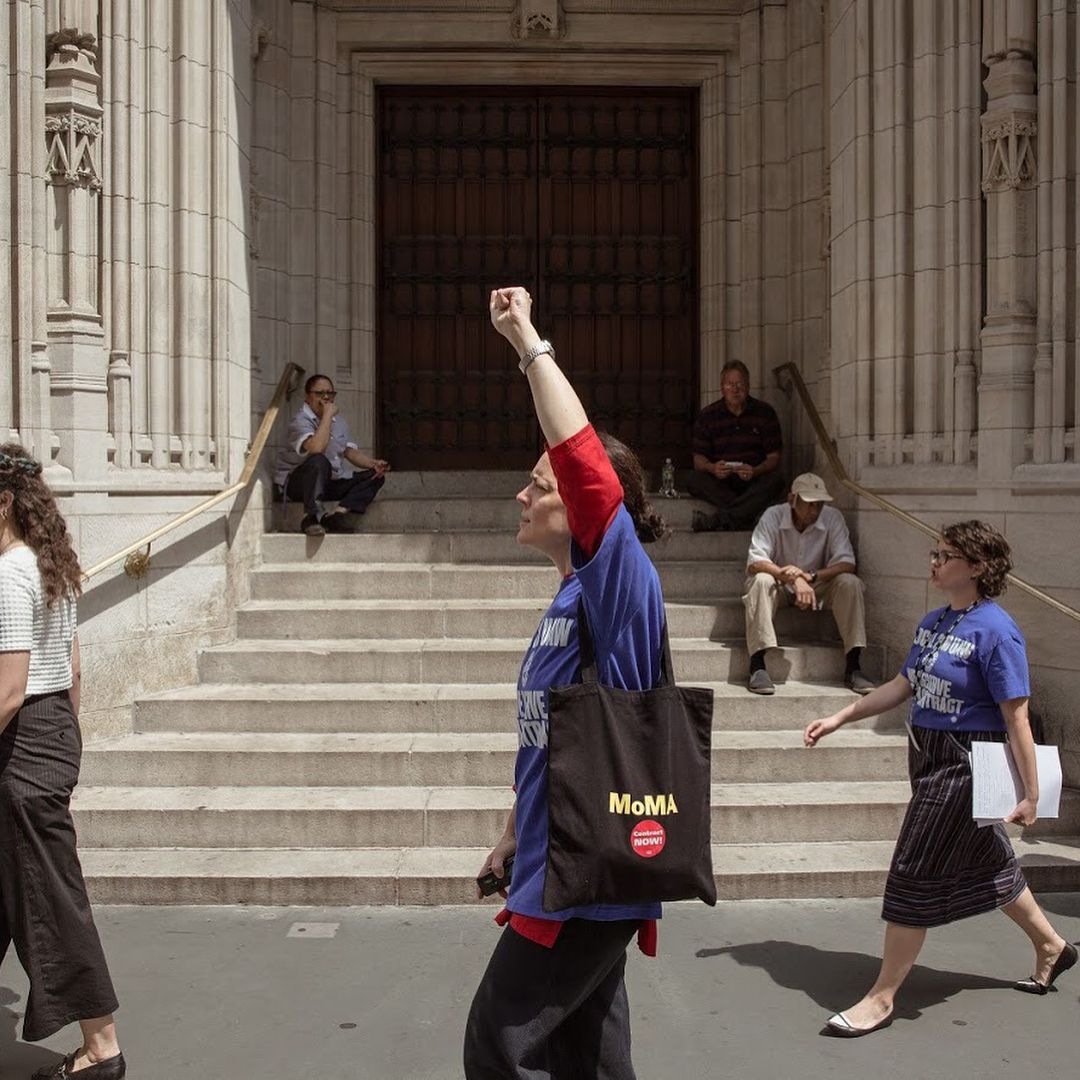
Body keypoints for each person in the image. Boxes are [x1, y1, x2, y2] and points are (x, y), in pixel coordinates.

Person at [464, 288, 669, 1079]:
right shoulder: (569, 596)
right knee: (588, 1056)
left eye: (538, 485)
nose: (522, 495)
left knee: (500, 1049)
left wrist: (526, 342)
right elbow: (553, 737)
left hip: (587, 872)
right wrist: (514, 834)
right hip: (556, 858)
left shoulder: (620, 581)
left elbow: (583, 460)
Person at [803, 520, 1077, 1037]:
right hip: (927, 755)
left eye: (947, 555)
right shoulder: (934, 622)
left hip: (966, 763)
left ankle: (882, 998)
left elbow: (1016, 715)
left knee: (914, 865)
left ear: (978, 567)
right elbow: (904, 683)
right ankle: (1052, 947)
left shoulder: (997, 632)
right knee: (988, 861)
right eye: (935, 552)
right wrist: (842, 716)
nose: (935, 561)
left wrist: (1033, 792)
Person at [0, 445, 126, 1079]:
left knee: (51, 896)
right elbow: (72, 669)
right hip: (49, 732)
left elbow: (8, 689)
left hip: (20, 738)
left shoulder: (8, 573)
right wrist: (66, 741)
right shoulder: (50, 565)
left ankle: (101, 1047)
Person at [743, 473, 874, 695]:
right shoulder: (773, 516)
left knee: (850, 583)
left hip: (817, 586)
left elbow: (847, 563)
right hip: (781, 586)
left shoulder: (832, 518)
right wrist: (791, 577)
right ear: (792, 499)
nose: (814, 511)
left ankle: (854, 666)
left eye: (819, 504)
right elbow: (755, 562)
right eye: (809, 504)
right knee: (761, 580)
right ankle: (757, 665)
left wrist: (809, 576)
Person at [273, 373, 390, 536]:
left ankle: (336, 515)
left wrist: (373, 463)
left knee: (376, 476)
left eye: (330, 393)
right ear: (308, 397)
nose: (326, 397)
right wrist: (327, 415)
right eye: (320, 393)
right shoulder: (300, 420)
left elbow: (348, 451)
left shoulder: (339, 421)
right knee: (318, 460)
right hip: (298, 484)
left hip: (329, 481)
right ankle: (311, 517)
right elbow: (316, 448)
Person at [686, 359, 786, 531]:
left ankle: (717, 521)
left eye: (740, 384)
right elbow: (698, 460)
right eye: (729, 384)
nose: (735, 389)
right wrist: (713, 468)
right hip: (721, 482)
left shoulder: (765, 413)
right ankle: (748, 513)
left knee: (777, 480)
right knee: (693, 479)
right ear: (721, 387)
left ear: (748, 385)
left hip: (753, 479)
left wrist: (755, 470)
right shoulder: (708, 415)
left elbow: (774, 458)